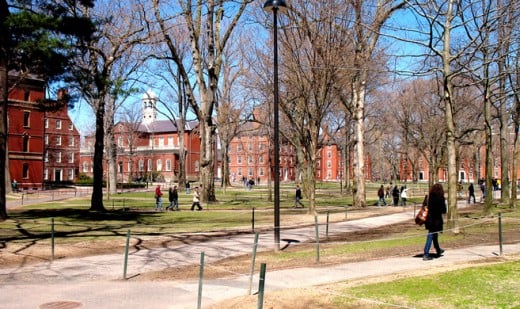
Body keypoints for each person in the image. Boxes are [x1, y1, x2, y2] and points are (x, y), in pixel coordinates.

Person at [423, 183, 447, 261]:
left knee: (434, 235)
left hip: (429, 219)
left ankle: (438, 249)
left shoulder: (428, 197)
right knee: (431, 235)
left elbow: (424, 205)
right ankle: (426, 254)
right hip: (436, 220)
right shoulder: (441, 197)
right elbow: (444, 210)